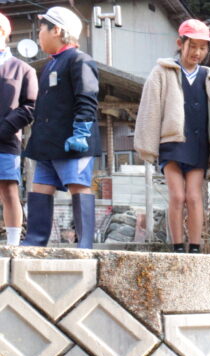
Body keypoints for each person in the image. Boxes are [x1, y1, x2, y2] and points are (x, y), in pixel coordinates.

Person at [135, 19, 210, 254]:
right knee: (177, 195)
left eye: (203, 48)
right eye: (192, 46)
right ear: (180, 43)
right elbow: (151, 109)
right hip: (171, 143)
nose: (198, 52)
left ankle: (195, 246)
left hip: (199, 144)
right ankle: (177, 246)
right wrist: (148, 145)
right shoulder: (162, 71)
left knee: (194, 196)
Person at [21, 7, 99, 249]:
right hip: (46, 144)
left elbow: (87, 98)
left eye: (42, 28)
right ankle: (35, 242)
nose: (38, 34)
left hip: (72, 141)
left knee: (78, 186)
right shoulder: (50, 65)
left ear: (57, 30)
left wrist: (81, 132)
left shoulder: (79, 60)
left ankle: (84, 244)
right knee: (40, 188)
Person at [0, 11, 37, 246]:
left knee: (8, 189)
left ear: (4, 33)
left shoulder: (23, 69)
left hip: (5, 139)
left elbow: (30, 106)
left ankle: (14, 244)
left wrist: (5, 127)